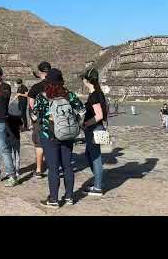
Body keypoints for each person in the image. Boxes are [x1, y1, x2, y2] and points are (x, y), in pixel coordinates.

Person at [33, 68, 86, 208]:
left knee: (53, 168)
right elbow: (82, 111)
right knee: (67, 166)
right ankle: (69, 197)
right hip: (67, 135)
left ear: (48, 81)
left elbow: (34, 115)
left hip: (49, 135)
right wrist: (75, 124)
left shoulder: (42, 96)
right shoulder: (69, 95)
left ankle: (54, 199)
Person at [81, 67, 108, 197]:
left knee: (96, 157)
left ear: (87, 80)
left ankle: (97, 187)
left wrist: (86, 123)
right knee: (89, 154)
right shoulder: (97, 93)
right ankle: (98, 180)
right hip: (96, 129)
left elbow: (99, 115)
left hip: (94, 129)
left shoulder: (94, 95)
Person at [28, 61, 51, 179]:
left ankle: (38, 170)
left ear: (40, 72)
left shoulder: (36, 88)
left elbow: (31, 106)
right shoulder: (57, 86)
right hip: (53, 120)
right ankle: (55, 167)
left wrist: (33, 120)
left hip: (40, 121)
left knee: (39, 145)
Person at [6, 93, 23, 177]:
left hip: (8, 137)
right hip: (16, 138)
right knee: (16, 154)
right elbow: (21, 126)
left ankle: (9, 169)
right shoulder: (18, 119)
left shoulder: (6, 118)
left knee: (8, 154)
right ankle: (17, 170)